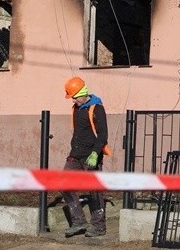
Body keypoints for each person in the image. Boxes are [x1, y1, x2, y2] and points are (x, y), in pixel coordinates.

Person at [62, 76, 108, 238]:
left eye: (74, 97)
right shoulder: (76, 108)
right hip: (75, 155)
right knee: (64, 184)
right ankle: (78, 222)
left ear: (82, 93)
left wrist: (96, 153)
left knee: (94, 191)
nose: (73, 101)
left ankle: (98, 226)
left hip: (91, 156)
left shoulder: (97, 109)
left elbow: (103, 135)